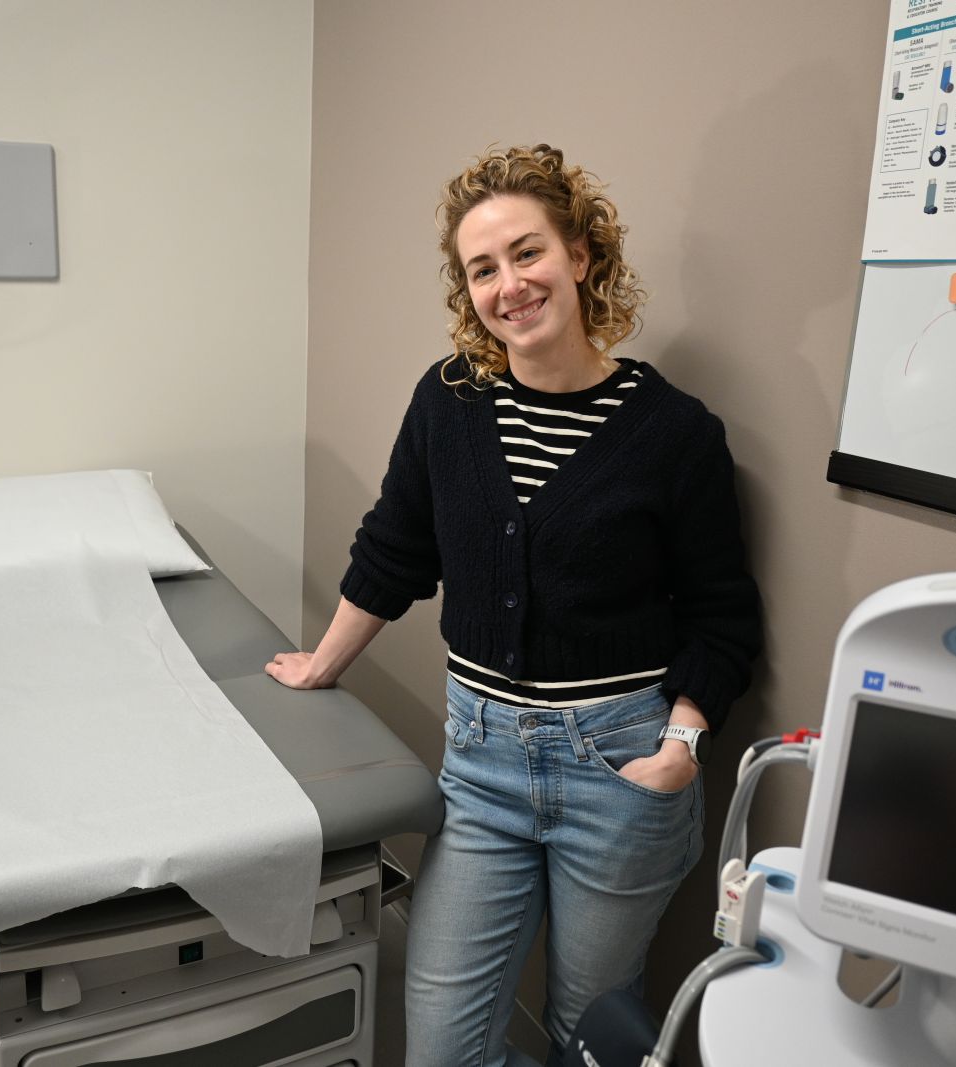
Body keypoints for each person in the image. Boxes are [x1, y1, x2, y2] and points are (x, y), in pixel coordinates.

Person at [266, 144, 761, 1067]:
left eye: (527, 252)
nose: (509, 284)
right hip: (483, 762)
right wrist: (324, 661)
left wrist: (681, 745)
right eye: (482, 268)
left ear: (580, 254)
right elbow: (394, 549)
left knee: (588, 1033)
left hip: (617, 767)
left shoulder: (674, 433)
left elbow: (721, 613)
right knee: (445, 1042)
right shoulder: (448, 401)